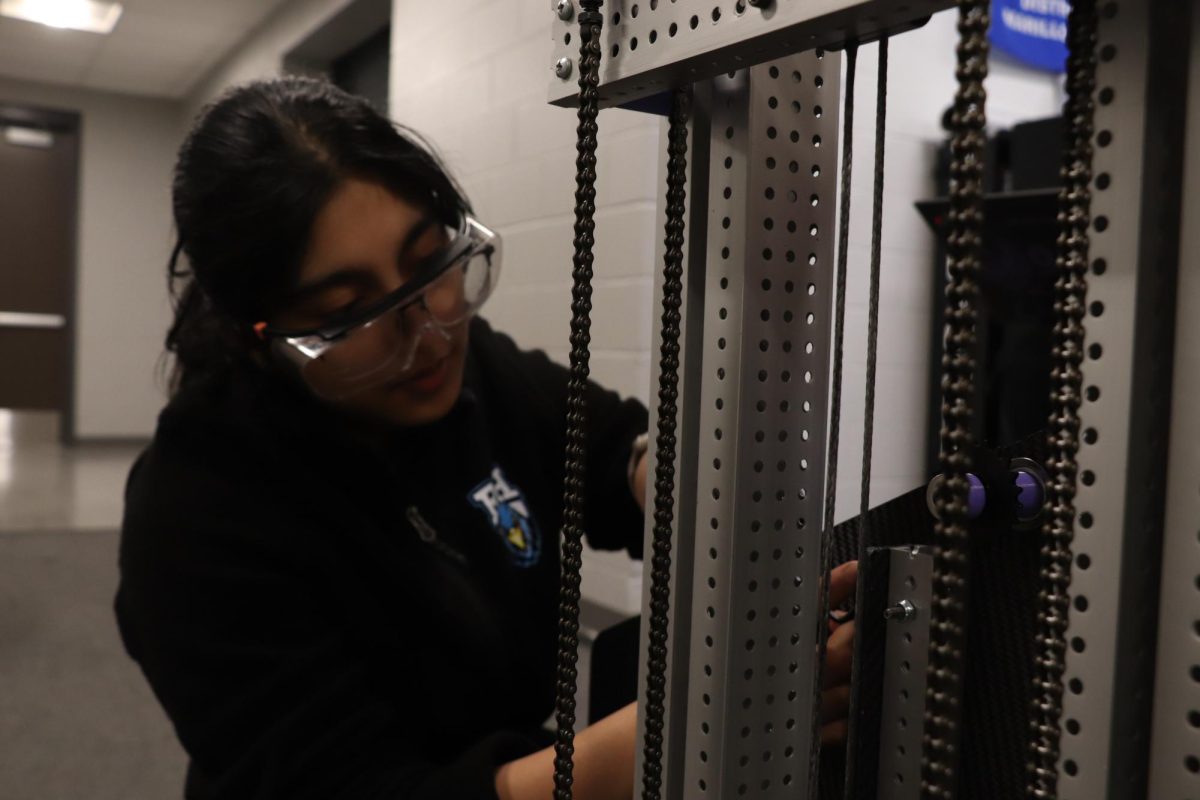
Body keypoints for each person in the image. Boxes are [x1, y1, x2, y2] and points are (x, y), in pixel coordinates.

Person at [115, 76, 857, 800]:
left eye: (431, 262)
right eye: (350, 312)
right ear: (259, 336)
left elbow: (611, 452)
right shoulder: (192, 519)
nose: (430, 332)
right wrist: (694, 724)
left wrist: (745, 559)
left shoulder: (470, 368)